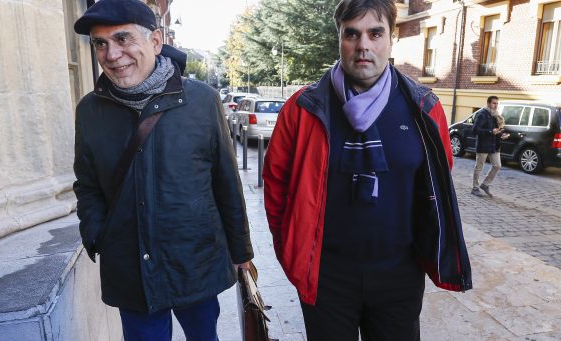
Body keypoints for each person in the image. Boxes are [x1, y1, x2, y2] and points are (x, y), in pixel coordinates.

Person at [262, 0, 472, 339]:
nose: (364, 45)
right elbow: (275, 185)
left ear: (392, 39)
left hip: (399, 276)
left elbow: (437, 183)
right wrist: (290, 250)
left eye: (375, 33)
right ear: (339, 38)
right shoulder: (302, 109)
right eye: (352, 34)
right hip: (325, 277)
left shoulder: (424, 109)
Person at [72, 0, 253, 339]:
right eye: (100, 43)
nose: (111, 54)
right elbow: (87, 183)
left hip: (194, 260)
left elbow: (225, 179)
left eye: (123, 39)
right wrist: (97, 234)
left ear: (155, 41)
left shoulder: (202, 100)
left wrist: (241, 250)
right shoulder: (90, 110)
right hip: (129, 266)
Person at [471, 95, 506, 197]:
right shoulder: (482, 114)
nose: (495, 105)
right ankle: (475, 188)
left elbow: (497, 130)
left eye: (497, 103)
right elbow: (475, 130)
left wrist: (502, 134)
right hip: (483, 144)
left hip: (494, 145)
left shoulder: (496, 115)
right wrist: (490, 131)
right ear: (488, 103)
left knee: (497, 165)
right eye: (493, 103)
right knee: (479, 167)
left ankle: (485, 184)